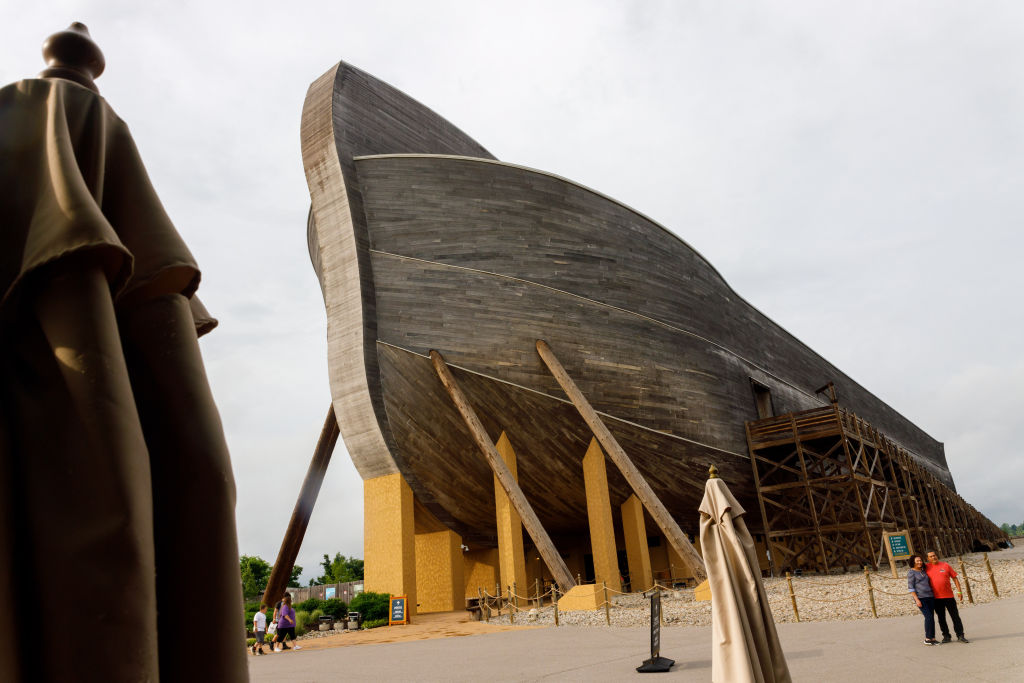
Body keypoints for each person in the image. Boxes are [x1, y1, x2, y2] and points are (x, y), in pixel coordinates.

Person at [926, 551, 969, 643]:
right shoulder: (926, 568)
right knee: (941, 618)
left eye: (934, 555)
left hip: (949, 596)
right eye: (931, 556)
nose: (933, 557)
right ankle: (946, 636)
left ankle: (960, 635)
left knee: (955, 616)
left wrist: (959, 591)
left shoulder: (945, 565)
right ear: (928, 559)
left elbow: (955, 578)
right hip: (936, 598)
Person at [907, 554, 938, 645]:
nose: (920, 562)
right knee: (928, 617)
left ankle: (932, 638)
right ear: (913, 562)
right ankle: (927, 638)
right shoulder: (911, 573)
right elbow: (911, 588)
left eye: (920, 561)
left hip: (930, 597)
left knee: (931, 617)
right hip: (921, 598)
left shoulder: (923, 571)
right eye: (917, 561)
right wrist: (916, 600)